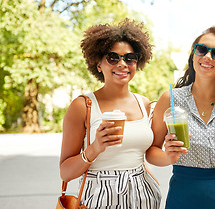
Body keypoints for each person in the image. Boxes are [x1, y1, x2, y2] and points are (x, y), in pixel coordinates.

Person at [146, 26, 215, 209]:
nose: (207, 57)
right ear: (194, 53)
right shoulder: (171, 99)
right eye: (202, 49)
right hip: (183, 196)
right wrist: (168, 157)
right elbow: (151, 151)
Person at [59, 18, 161, 208]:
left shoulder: (144, 104)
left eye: (130, 58)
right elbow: (65, 173)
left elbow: (145, 153)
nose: (122, 63)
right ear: (98, 64)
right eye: (113, 57)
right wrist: (95, 147)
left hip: (143, 196)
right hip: (99, 196)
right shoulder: (83, 106)